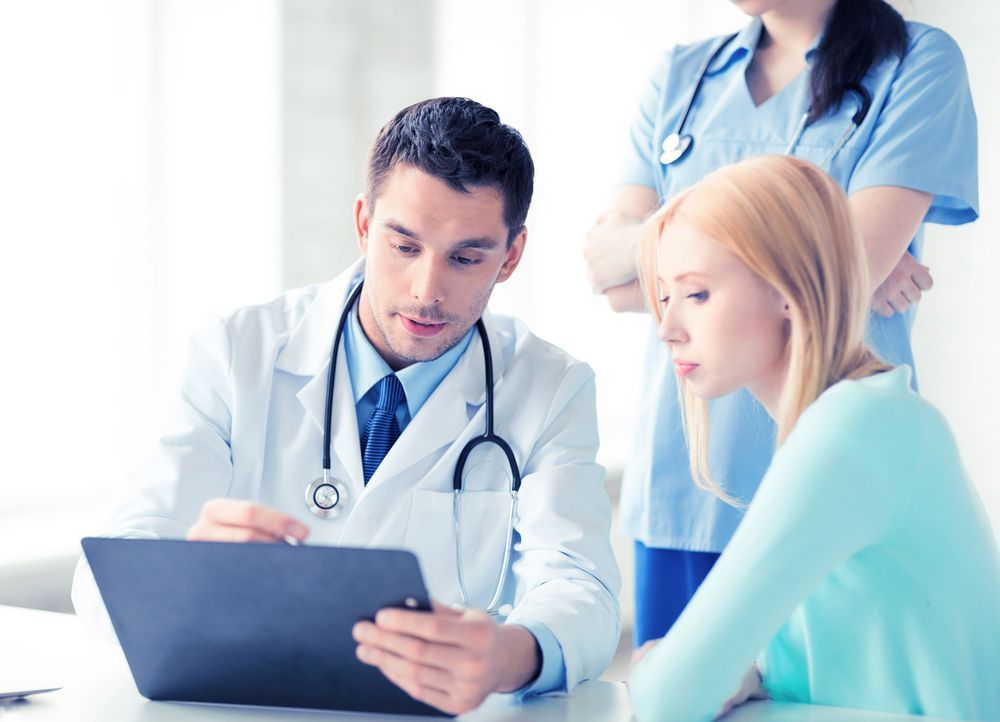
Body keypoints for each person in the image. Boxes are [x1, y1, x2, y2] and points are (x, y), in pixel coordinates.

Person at [71, 97, 621, 715]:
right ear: (364, 224)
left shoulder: (551, 387)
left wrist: (509, 654)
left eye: (466, 258)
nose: (427, 290)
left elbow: (583, 590)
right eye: (404, 246)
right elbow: (104, 576)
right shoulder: (235, 352)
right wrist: (189, 575)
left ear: (511, 257)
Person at [584, 0, 979, 645]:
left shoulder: (917, 62)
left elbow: (846, 271)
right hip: (685, 477)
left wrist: (658, 245)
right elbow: (613, 276)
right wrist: (811, 251)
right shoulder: (682, 74)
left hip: (832, 470)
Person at [625, 154, 1000, 722]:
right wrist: (751, 674)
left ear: (786, 288)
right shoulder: (866, 417)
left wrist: (664, 670)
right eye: (664, 296)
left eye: (696, 294)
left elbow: (666, 697)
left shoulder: (855, 430)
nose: (668, 328)